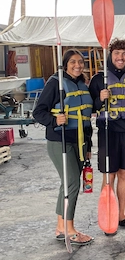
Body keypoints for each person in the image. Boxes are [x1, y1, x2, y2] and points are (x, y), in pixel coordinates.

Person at [33, 49, 94, 245]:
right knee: (72, 184)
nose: (78, 65)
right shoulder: (55, 82)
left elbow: (85, 119)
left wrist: (88, 145)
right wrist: (54, 119)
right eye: (73, 62)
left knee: (67, 184)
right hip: (59, 141)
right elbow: (38, 112)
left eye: (81, 62)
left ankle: (60, 227)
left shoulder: (82, 83)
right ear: (65, 64)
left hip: (79, 142)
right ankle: (70, 229)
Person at [89, 38, 125, 234]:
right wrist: (99, 99)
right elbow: (90, 107)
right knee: (108, 175)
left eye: (124, 54)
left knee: (124, 174)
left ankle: (121, 214)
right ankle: (108, 215)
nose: (121, 58)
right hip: (108, 131)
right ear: (110, 55)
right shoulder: (98, 79)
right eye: (117, 54)